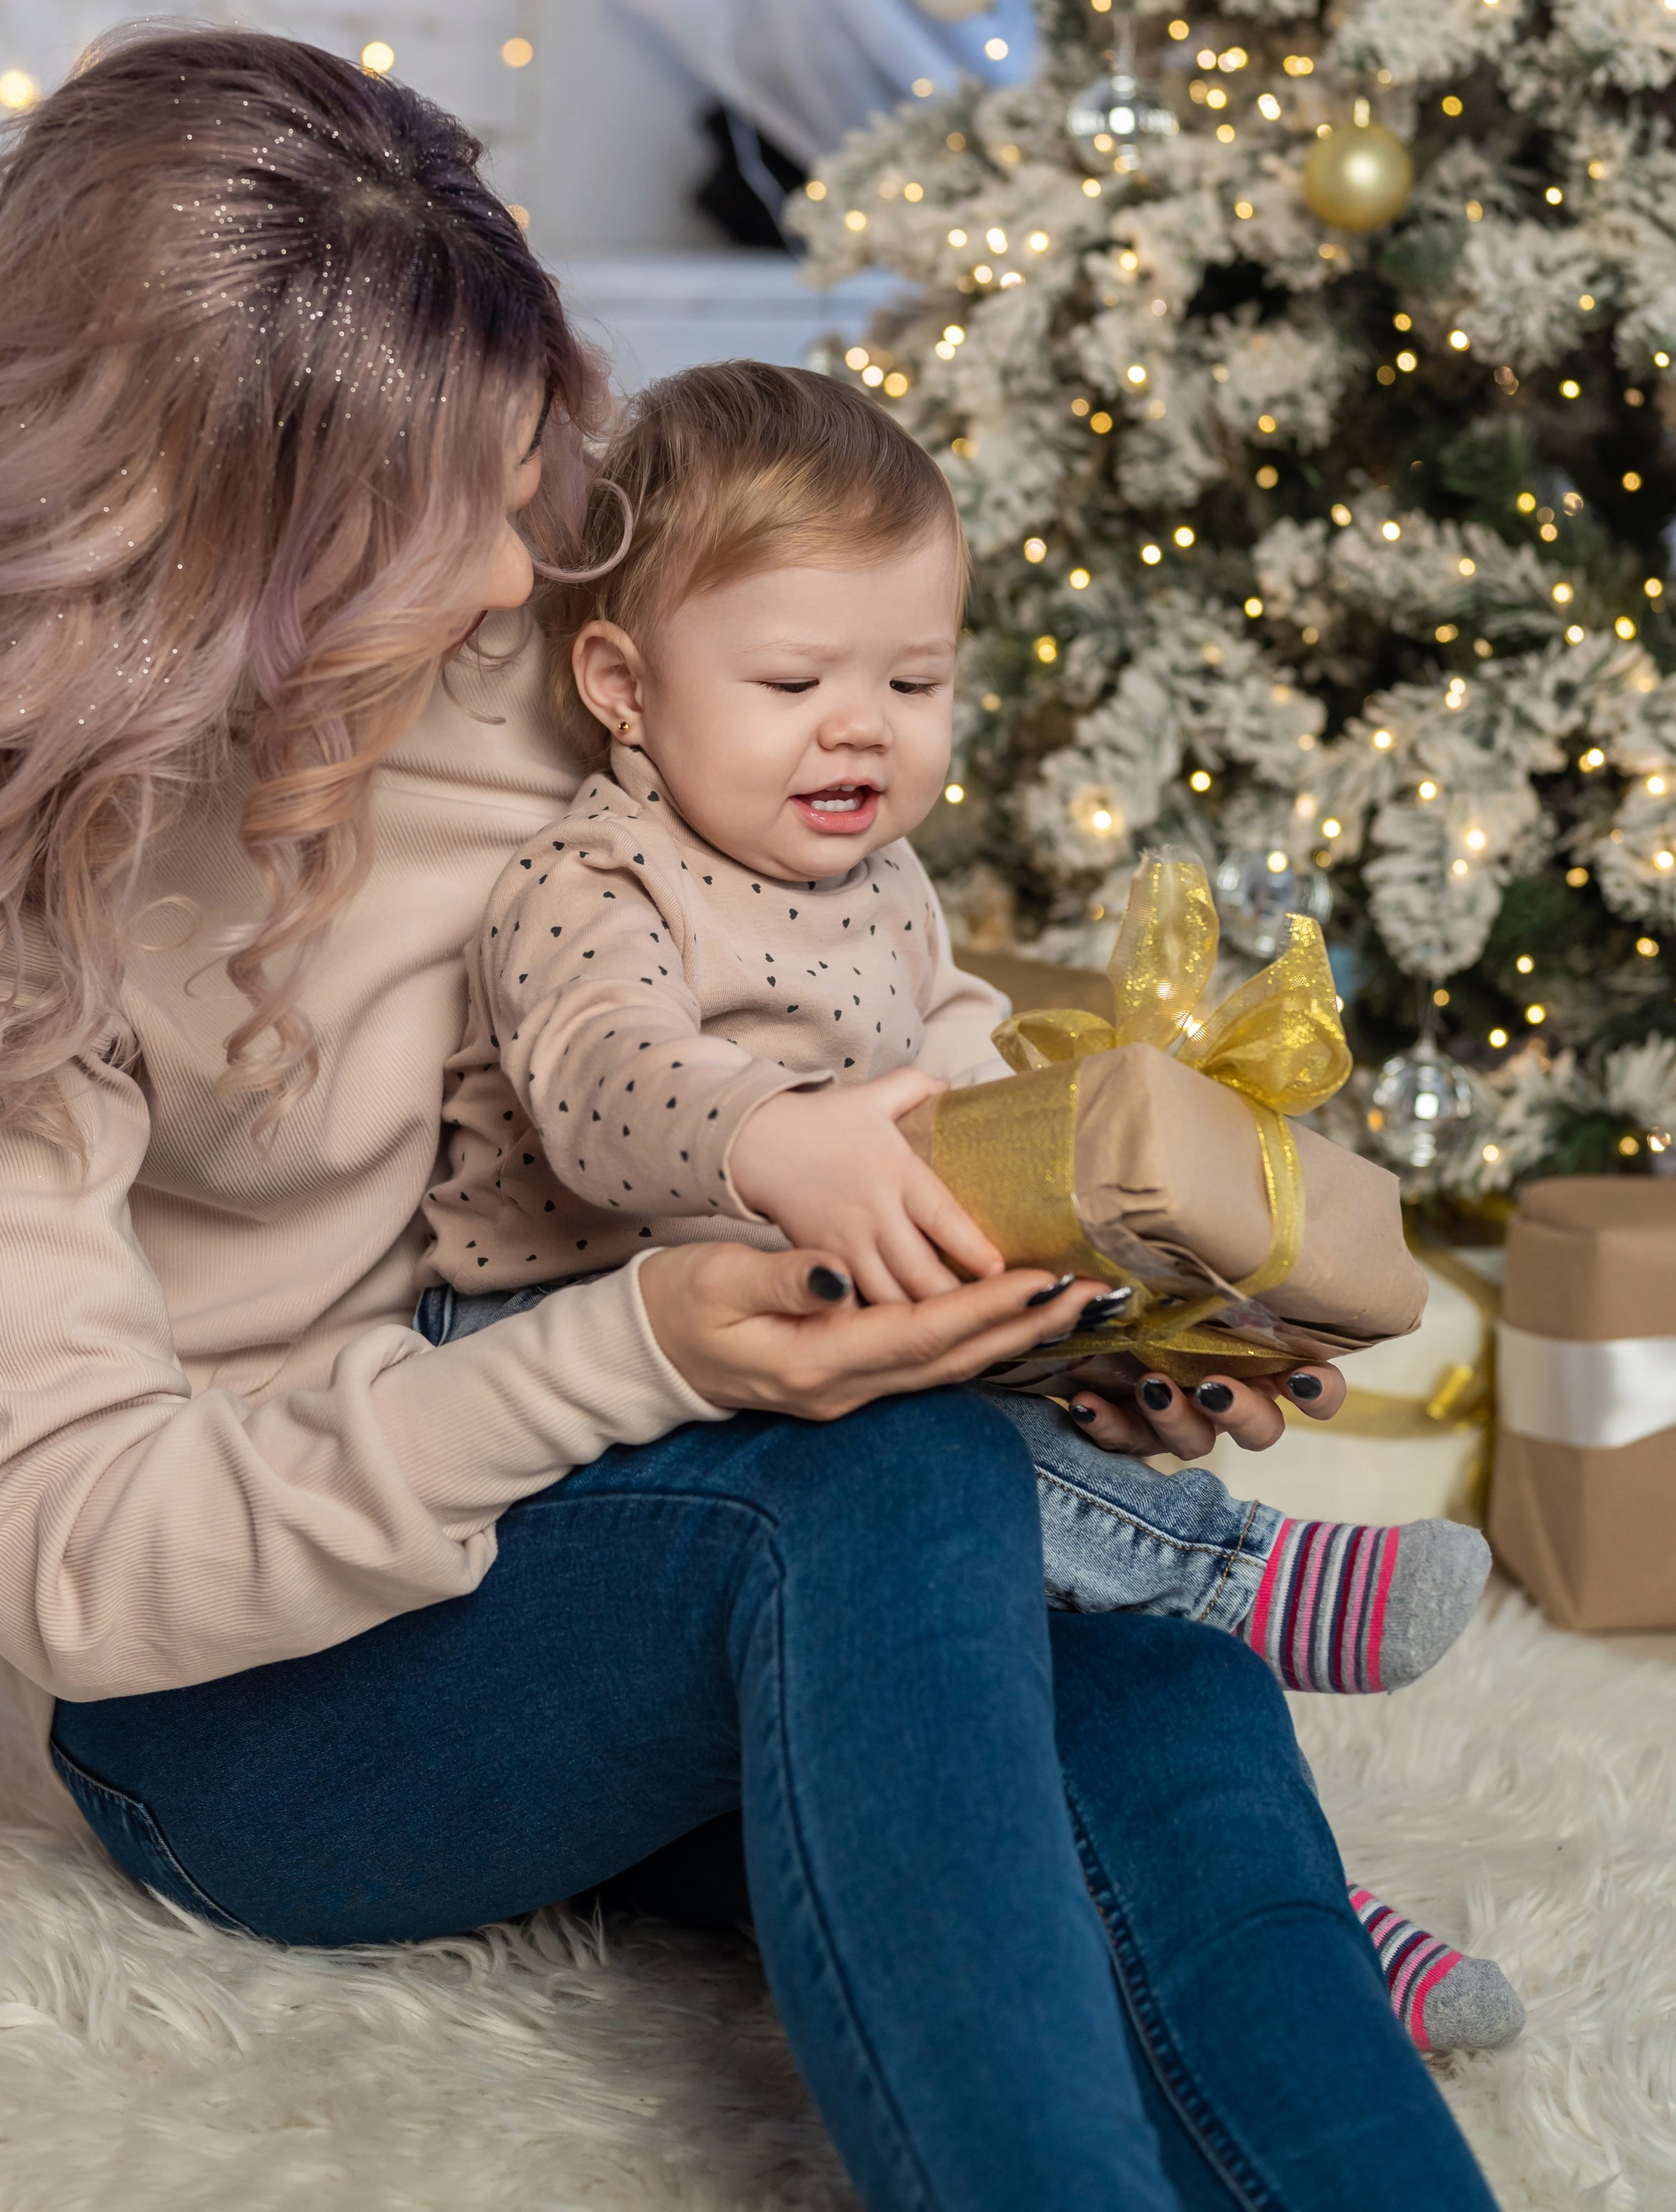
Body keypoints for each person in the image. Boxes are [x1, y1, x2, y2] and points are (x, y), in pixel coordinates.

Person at [0, 27, 1497, 2212]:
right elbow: (68, 1562)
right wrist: (646, 1352)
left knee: (1149, 1680)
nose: (527, 581)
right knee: (869, 1489)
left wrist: (1053, 1296)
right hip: (262, 1718)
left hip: (635, 1531)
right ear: (236, 548)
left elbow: (847, 971)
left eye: (529, 483)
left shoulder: (544, 660)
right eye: (448, 523)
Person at [421, 358, 1519, 2056]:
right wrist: (777, 1139)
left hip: (833, 1308)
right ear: (624, 687)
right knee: (935, 1475)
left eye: (912, 678)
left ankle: (1294, 1915)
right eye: (790, 678)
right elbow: (598, 1090)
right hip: (569, 1346)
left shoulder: (888, 885)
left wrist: (1111, 1258)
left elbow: (968, 1069)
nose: (859, 726)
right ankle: (1218, 1580)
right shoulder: (593, 879)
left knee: (1073, 1627)